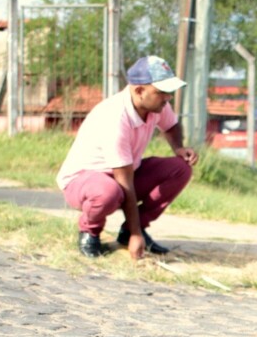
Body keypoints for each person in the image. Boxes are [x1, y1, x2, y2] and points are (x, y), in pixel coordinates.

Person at [56, 55, 199, 259]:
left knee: (180, 168)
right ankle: (90, 232)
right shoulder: (115, 118)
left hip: (124, 174)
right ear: (139, 91)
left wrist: (178, 147)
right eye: (161, 92)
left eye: (169, 92)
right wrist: (136, 234)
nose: (168, 97)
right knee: (108, 192)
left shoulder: (156, 105)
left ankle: (128, 231)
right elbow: (124, 182)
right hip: (84, 180)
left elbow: (171, 125)